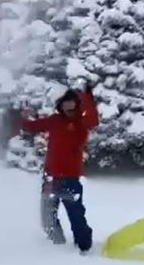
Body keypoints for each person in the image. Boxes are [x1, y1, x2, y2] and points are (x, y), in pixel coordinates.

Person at [19, 84, 99, 253]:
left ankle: (84, 246)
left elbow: (93, 119)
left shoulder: (81, 123)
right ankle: (57, 248)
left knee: (76, 216)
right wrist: (24, 117)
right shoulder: (55, 120)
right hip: (51, 178)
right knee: (47, 217)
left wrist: (86, 96)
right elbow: (33, 126)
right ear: (61, 105)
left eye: (72, 104)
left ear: (78, 106)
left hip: (69, 179)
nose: (68, 107)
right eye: (65, 103)